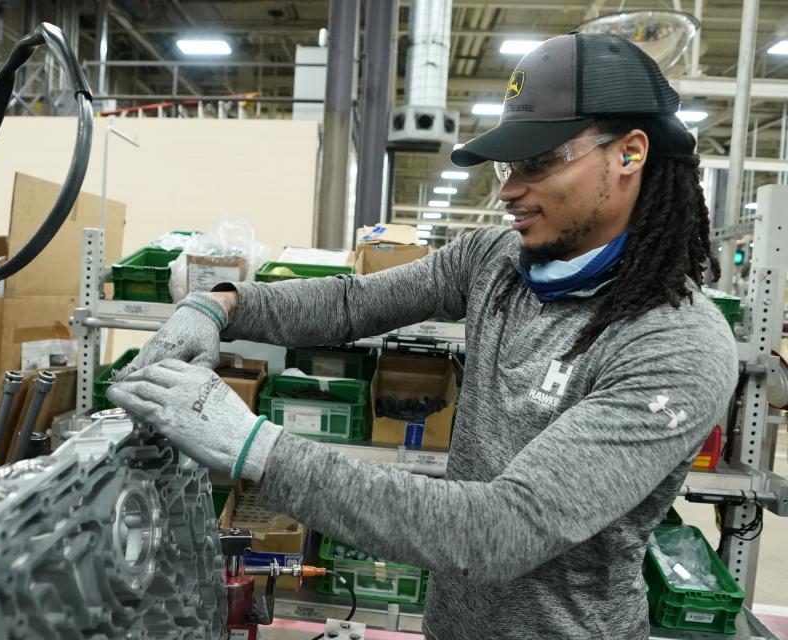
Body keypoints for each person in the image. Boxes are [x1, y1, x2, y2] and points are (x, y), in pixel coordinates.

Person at [108, 33, 738, 640]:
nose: (509, 191)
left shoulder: (673, 345)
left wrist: (257, 448)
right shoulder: (497, 260)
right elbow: (353, 302)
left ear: (628, 154)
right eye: (510, 165)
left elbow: (499, 530)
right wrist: (219, 304)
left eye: (541, 162)